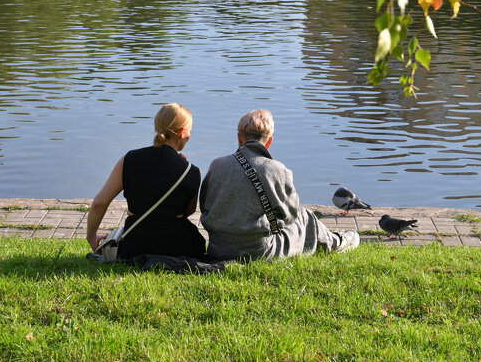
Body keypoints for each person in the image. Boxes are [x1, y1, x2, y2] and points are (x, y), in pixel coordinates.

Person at [199, 109, 359, 261]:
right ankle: (339, 243)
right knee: (305, 216)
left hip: (218, 248)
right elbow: (291, 215)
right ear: (269, 142)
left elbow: (205, 207)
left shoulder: (216, 165)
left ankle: (335, 240)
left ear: (239, 138)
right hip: (258, 251)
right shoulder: (277, 170)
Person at [87, 103, 207, 260]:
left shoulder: (129, 159)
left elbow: (99, 203)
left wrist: (91, 237)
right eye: (190, 130)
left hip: (134, 246)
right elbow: (188, 212)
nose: (190, 135)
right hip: (177, 247)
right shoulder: (192, 171)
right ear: (182, 132)